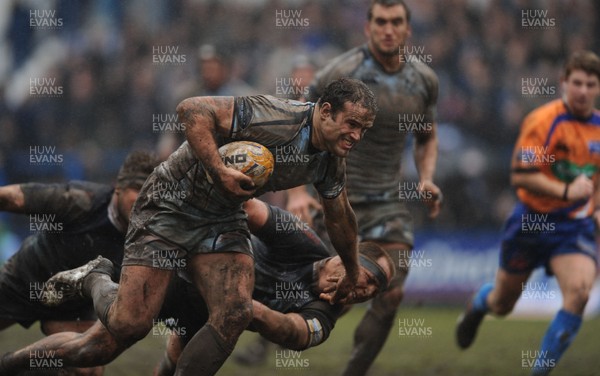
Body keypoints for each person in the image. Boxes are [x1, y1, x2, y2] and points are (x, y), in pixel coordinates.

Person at [1, 77, 378, 376]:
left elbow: (340, 214)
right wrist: (219, 171)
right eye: (352, 124)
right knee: (128, 327)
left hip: (221, 218)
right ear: (326, 111)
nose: (358, 137)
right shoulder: (275, 115)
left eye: (364, 129)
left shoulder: (330, 159)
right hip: (170, 204)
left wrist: (349, 268)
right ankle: (96, 277)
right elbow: (191, 109)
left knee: (235, 311)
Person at [0, 199, 393, 375]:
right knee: (96, 346)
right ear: (349, 259)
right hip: (184, 276)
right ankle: (95, 277)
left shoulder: (326, 311)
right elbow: (252, 208)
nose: (364, 293)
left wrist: (247, 310)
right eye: (368, 280)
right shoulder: (304, 242)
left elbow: (296, 335)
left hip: (212, 319)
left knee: (172, 368)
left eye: (372, 293)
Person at [284, 1, 441, 374]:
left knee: (392, 291)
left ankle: (354, 371)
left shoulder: (424, 81)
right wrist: (297, 192)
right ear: (368, 27)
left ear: (408, 30)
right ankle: (267, 332)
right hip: (337, 195)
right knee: (318, 287)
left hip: (389, 200)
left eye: (396, 22)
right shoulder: (340, 72)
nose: (389, 29)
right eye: (381, 22)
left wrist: (427, 177)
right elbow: (300, 123)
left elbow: (426, 136)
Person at [456, 50, 600, 375]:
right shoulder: (543, 121)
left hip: (571, 227)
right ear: (564, 83)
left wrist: (595, 208)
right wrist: (565, 190)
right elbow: (521, 174)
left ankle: (539, 372)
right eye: (576, 82)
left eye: (590, 84)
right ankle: (479, 304)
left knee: (578, 294)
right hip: (532, 221)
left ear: (597, 88)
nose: (582, 90)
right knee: (503, 304)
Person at [0, 150, 159, 375]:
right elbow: (12, 197)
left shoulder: (150, 237)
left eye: (150, 195)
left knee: (89, 368)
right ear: (118, 186)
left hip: (73, 308)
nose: (143, 201)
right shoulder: (83, 201)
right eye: (137, 190)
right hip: (26, 281)